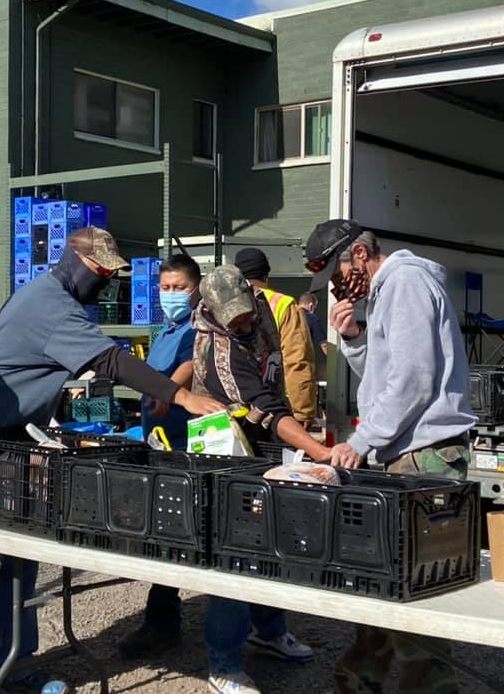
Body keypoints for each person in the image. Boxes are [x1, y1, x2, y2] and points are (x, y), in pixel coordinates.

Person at [0, 229, 223, 694]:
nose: (106, 280)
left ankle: (16, 668)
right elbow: (110, 360)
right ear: (74, 259)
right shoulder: (49, 303)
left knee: (23, 557)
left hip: (13, 438)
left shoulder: (55, 300)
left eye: (112, 274)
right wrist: (179, 394)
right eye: (101, 271)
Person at [304, 220, 476, 694]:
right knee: (386, 578)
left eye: (336, 273)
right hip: (410, 453)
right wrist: (356, 338)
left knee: (414, 586)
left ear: (359, 253)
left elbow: (415, 381)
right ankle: (363, 674)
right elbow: (385, 375)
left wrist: (359, 443)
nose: (336, 286)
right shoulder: (385, 292)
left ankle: (422, 686)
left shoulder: (403, 282)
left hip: (425, 457)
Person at [193, 265, 336, 694]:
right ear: (214, 315)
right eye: (234, 319)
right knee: (230, 554)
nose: (245, 322)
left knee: (269, 544)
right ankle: (224, 663)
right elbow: (267, 410)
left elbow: (283, 377)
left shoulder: (263, 311)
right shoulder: (218, 352)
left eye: (247, 312)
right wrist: (317, 450)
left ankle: (270, 630)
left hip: (266, 444)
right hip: (226, 451)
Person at [118, 253, 201, 658]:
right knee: (163, 539)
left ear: (196, 288)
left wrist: (169, 392)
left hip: (187, 452)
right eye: (165, 288)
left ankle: (163, 624)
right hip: (158, 446)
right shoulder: (165, 330)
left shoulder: (198, 328)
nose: (170, 295)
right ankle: (162, 622)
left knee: (177, 537)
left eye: (178, 288)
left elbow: (189, 364)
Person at [233, 248, 317, 426]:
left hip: (235, 406)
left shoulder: (225, 305)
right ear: (266, 275)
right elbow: (297, 360)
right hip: (274, 410)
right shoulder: (283, 304)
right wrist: (303, 412)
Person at [298, 292, 328, 357]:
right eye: (315, 308)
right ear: (311, 306)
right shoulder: (312, 318)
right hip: (300, 359)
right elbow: (324, 344)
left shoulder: (287, 315)